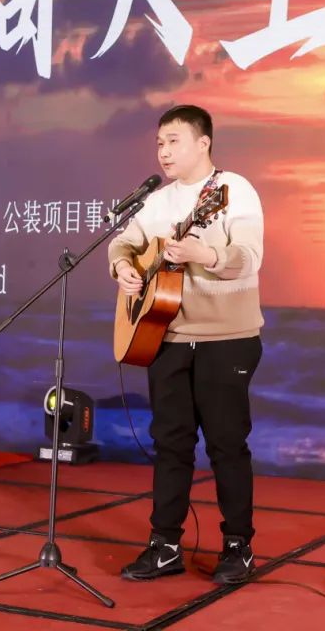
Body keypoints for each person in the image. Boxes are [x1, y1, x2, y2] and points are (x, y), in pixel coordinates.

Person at [108, 104, 265, 584]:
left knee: (226, 444)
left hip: (226, 339)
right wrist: (123, 267)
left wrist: (206, 253)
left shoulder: (233, 190)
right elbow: (122, 243)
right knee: (170, 445)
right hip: (167, 337)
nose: (164, 151)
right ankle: (165, 546)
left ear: (203, 143)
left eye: (173, 141)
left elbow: (249, 257)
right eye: (159, 143)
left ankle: (238, 547)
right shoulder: (157, 202)